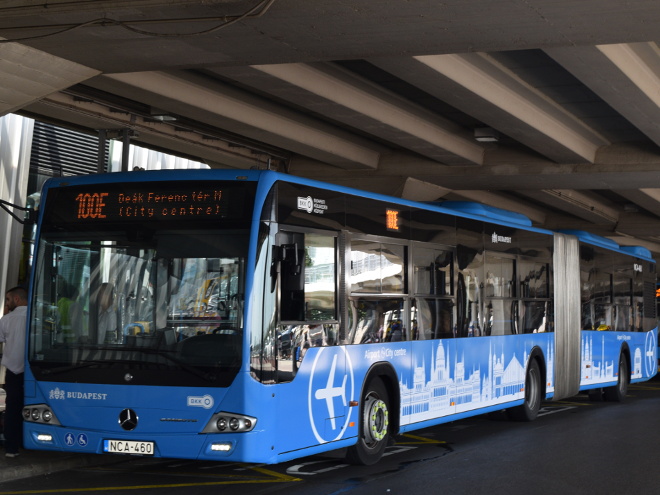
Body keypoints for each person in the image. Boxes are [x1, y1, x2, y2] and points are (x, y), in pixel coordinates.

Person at [0, 286, 28, 458]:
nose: (7, 303)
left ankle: (12, 448)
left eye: (8, 300)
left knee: (12, 409)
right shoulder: (36, 318)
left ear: (17, 299)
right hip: (34, 371)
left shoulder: (7, 319)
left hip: (13, 372)